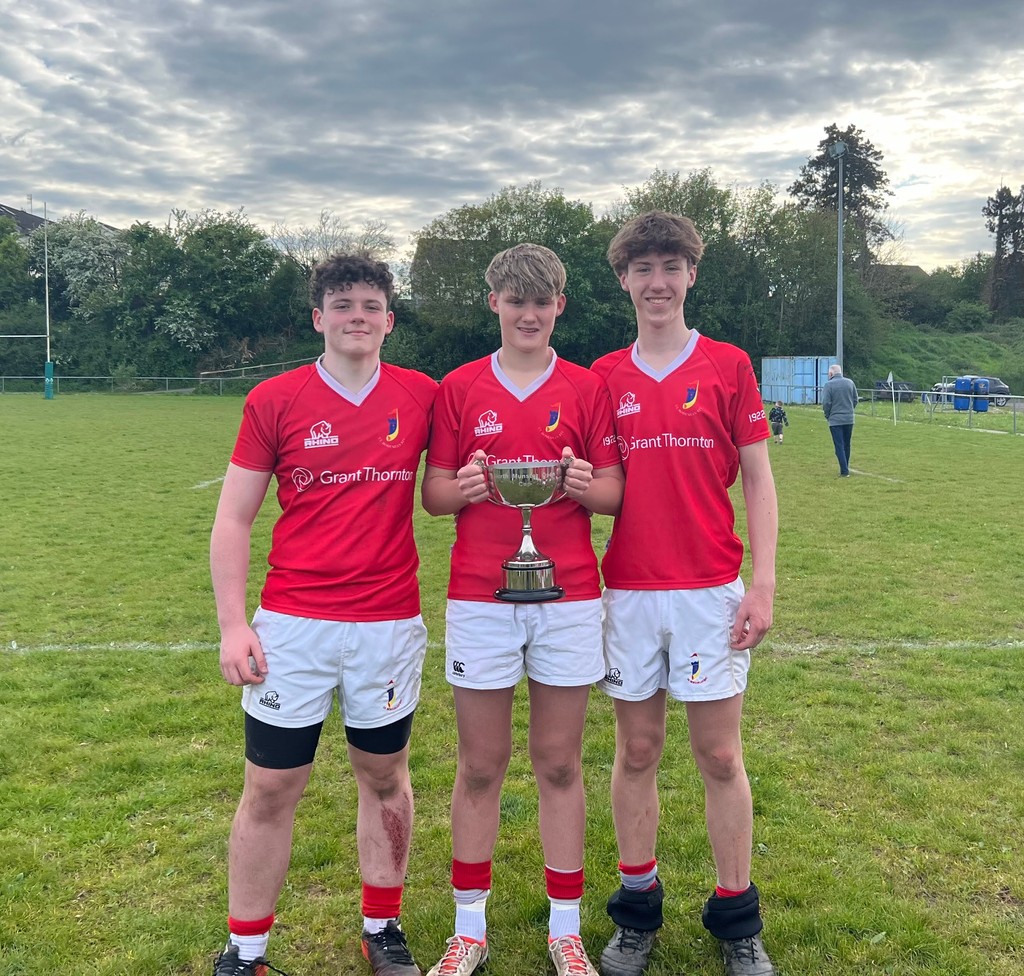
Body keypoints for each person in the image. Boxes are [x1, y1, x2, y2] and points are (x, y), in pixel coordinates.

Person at [209, 254, 438, 976]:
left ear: (390, 321)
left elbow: (462, 479)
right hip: (294, 626)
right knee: (271, 786)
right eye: (343, 305)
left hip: (387, 625)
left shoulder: (423, 395)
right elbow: (233, 518)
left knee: (384, 775)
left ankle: (382, 926)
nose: (358, 317)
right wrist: (233, 624)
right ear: (319, 318)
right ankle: (245, 949)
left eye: (371, 305)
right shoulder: (275, 398)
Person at [421, 243, 624, 976]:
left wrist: (577, 482)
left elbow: (613, 494)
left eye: (542, 302)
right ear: (494, 304)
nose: (529, 313)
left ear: (559, 307)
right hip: (480, 596)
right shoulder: (459, 386)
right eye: (516, 300)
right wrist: (468, 488)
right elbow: (435, 496)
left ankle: (564, 929)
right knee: (480, 766)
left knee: (559, 763)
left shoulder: (588, 386)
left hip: (568, 596)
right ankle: (468, 929)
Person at [590, 212, 779, 976]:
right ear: (624, 281)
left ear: (692, 274)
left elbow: (760, 479)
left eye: (671, 266)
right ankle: (638, 911)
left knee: (720, 754)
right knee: (636, 749)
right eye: (643, 269)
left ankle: (736, 918)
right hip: (628, 593)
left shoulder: (729, 365)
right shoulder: (603, 376)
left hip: (709, 592)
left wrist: (761, 584)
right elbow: (599, 488)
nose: (657, 282)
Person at [821, 364, 858, 477]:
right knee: (847, 444)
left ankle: (844, 471)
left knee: (839, 445)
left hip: (835, 420)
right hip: (849, 418)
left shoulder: (828, 385)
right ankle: (845, 466)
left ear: (831, 373)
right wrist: (849, 410)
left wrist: (828, 415)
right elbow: (855, 399)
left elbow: (826, 403)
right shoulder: (850, 382)